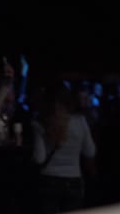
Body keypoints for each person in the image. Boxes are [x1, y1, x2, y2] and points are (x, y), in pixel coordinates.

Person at [32, 80, 96, 214]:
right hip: (74, 179)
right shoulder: (80, 121)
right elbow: (90, 151)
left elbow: (39, 158)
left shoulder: (40, 123)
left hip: (49, 179)